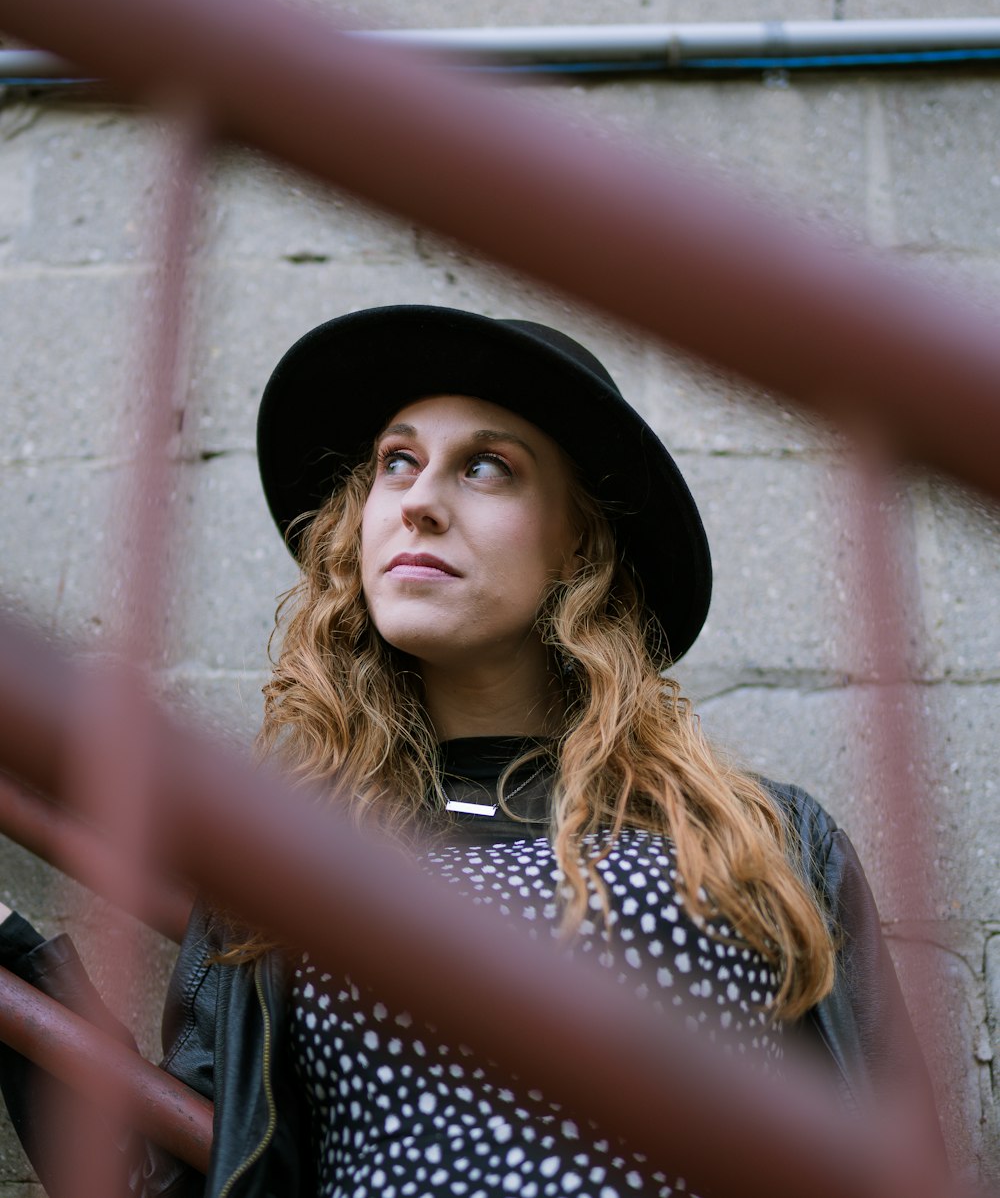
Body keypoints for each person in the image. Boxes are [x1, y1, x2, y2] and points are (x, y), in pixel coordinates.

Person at [0, 305, 940, 1197]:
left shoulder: (759, 840)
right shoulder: (283, 863)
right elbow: (174, 1174)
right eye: (395, 464)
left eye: (487, 467)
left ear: (582, 543)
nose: (417, 503)